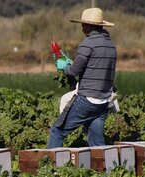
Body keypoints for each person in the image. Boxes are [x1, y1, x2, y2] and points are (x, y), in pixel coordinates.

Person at [47, 8, 116, 148]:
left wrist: (63, 66)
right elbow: (94, 68)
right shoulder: (111, 45)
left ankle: (50, 167)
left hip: (87, 100)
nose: (82, 27)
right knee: (97, 142)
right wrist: (71, 63)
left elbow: (74, 71)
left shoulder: (88, 44)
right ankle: (104, 168)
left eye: (84, 24)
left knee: (57, 131)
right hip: (103, 102)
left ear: (91, 26)